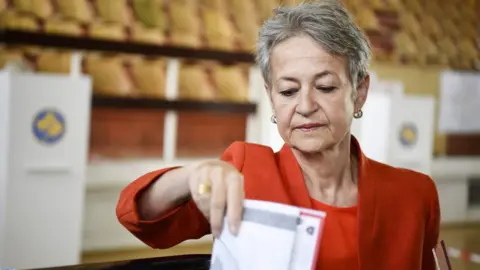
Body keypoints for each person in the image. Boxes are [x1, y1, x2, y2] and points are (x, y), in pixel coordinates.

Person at [116, 0, 440, 269]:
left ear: (359, 92)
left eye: (325, 87)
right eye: (288, 91)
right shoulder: (245, 171)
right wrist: (189, 177)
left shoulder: (414, 195)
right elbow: (144, 219)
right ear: (271, 96)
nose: (305, 106)